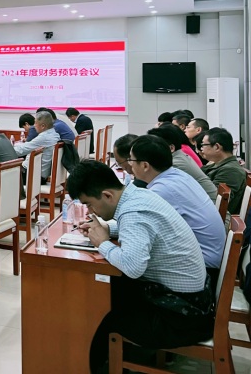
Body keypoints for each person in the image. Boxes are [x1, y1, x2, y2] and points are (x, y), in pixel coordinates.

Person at [69, 160, 214, 373]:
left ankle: (95, 367)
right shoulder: (137, 195)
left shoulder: (134, 212)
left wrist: (103, 243)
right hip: (193, 301)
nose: (91, 210)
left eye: (89, 204)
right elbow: (138, 230)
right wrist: (106, 228)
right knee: (109, 291)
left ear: (107, 195)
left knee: (99, 310)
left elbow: (132, 266)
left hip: (181, 318)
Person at [128, 135, 224, 277]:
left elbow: (138, 226)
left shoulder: (163, 190)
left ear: (145, 165)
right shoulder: (177, 175)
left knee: (130, 265)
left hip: (202, 267)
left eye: (131, 160)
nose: (130, 165)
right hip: (205, 256)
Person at [145, 124, 217, 201]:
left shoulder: (175, 164)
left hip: (209, 203)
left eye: (155, 146)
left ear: (171, 148)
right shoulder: (180, 156)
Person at [200, 127, 246, 214]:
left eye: (203, 145)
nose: (201, 148)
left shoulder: (231, 171)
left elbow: (216, 202)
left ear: (217, 147)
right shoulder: (218, 164)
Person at [13, 111, 60, 181]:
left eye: (35, 123)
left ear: (43, 126)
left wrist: (8, 148)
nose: (34, 125)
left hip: (32, 175)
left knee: (3, 174)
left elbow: (20, 151)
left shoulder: (44, 137)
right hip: (41, 174)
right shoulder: (55, 134)